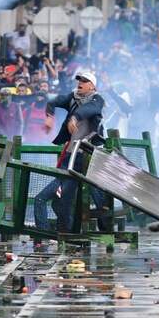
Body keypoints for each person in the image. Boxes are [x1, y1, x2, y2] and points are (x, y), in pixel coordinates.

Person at [33, 71, 105, 232]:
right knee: (55, 200)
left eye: (84, 80)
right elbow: (52, 101)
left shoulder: (97, 99)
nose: (80, 82)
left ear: (92, 86)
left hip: (90, 159)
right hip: (71, 158)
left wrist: (74, 118)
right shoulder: (73, 97)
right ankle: (53, 236)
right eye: (79, 79)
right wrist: (49, 116)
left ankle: (107, 232)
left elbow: (90, 109)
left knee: (101, 202)